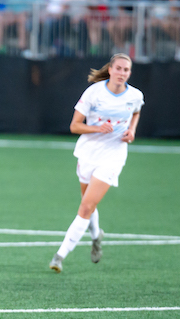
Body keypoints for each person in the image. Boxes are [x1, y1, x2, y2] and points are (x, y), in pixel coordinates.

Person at [50, 54, 143, 273]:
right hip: (89, 153)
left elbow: (136, 111)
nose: (122, 73)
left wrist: (132, 131)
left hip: (113, 156)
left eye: (126, 70)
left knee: (86, 207)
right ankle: (96, 236)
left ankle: (59, 255)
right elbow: (75, 126)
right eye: (118, 68)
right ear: (110, 69)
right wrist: (96, 128)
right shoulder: (94, 92)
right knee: (87, 203)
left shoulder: (135, 96)